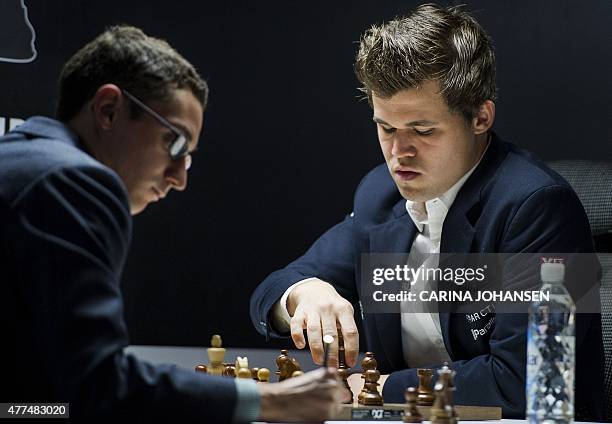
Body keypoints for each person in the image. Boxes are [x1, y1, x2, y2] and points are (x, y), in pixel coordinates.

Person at [249, 4, 604, 420]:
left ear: (480, 117)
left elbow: (520, 383)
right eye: (386, 128)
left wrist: (376, 387)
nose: (399, 153)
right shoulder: (379, 194)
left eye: (423, 130)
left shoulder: (538, 206)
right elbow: (270, 291)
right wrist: (304, 294)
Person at [0, 25, 342, 422]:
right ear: (109, 110)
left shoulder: (21, 161)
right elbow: (97, 387)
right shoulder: (73, 182)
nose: (180, 178)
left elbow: (32, 400)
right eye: (175, 143)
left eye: (189, 156)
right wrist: (271, 401)